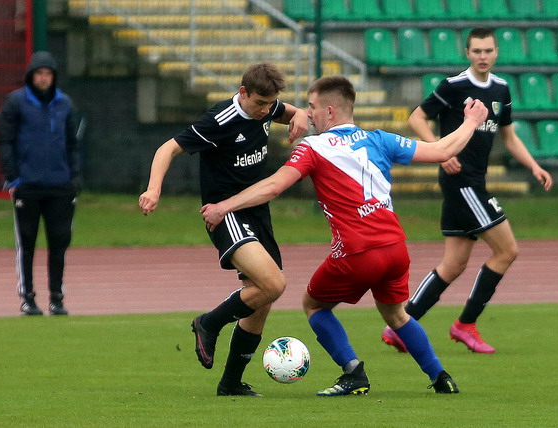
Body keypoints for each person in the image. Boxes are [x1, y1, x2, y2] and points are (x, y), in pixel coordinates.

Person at [201, 76, 488, 395]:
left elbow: (273, 186)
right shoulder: (379, 139)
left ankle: (353, 373)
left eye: (311, 107)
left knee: (314, 305)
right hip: (396, 249)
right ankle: (440, 377)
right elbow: (442, 150)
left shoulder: (312, 147)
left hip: (358, 251)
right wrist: (471, 122)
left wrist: (224, 206)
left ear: (330, 111)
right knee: (396, 314)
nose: (308, 114)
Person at [139, 63, 308, 396]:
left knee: (262, 299)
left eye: (269, 104)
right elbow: (167, 148)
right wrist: (154, 189)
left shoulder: (266, 107)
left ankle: (230, 383)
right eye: (259, 103)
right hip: (225, 213)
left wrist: (300, 113)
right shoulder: (220, 120)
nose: (265, 111)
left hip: (257, 212)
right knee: (274, 284)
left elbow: (288, 111)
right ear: (243, 92)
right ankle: (209, 322)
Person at [382, 27, 553, 355]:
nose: (482, 56)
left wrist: (534, 166)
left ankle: (401, 327)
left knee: (453, 264)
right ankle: (465, 324)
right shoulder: (454, 85)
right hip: (462, 181)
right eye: (477, 51)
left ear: (496, 52)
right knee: (507, 251)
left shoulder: (501, 89)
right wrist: (439, 150)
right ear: (467, 53)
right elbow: (417, 117)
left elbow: (509, 137)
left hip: (475, 181)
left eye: (488, 51)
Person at [0, 51, 80, 316]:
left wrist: (73, 177)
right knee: (27, 243)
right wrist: (13, 177)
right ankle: (28, 298)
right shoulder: (15, 102)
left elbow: (72, 144)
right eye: (39, 73)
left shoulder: (64, 103)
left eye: (48, 74)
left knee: (59, 242)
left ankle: (57, 297)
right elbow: (5, 141)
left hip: (60, 186)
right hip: (27, 186)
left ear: (54, 77)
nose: (43, 78)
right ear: (31, 76)